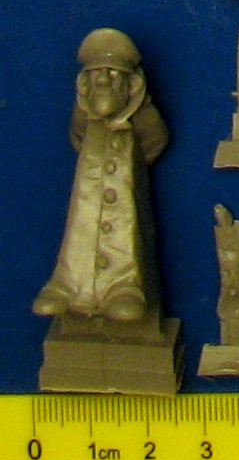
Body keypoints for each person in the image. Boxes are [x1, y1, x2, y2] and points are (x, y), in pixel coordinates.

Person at [33, 28, 168, 322]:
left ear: (132, 84)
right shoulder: (84, 115)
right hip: (88, 192)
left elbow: (156, 139)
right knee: (80, 226)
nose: (104, 80)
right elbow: (77, 136)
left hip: (125, 198)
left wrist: (134, 168)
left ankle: (122, 286)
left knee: (125, 232)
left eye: (114, 73)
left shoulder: (143, 116)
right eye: (97, 73)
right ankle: (68, 283)